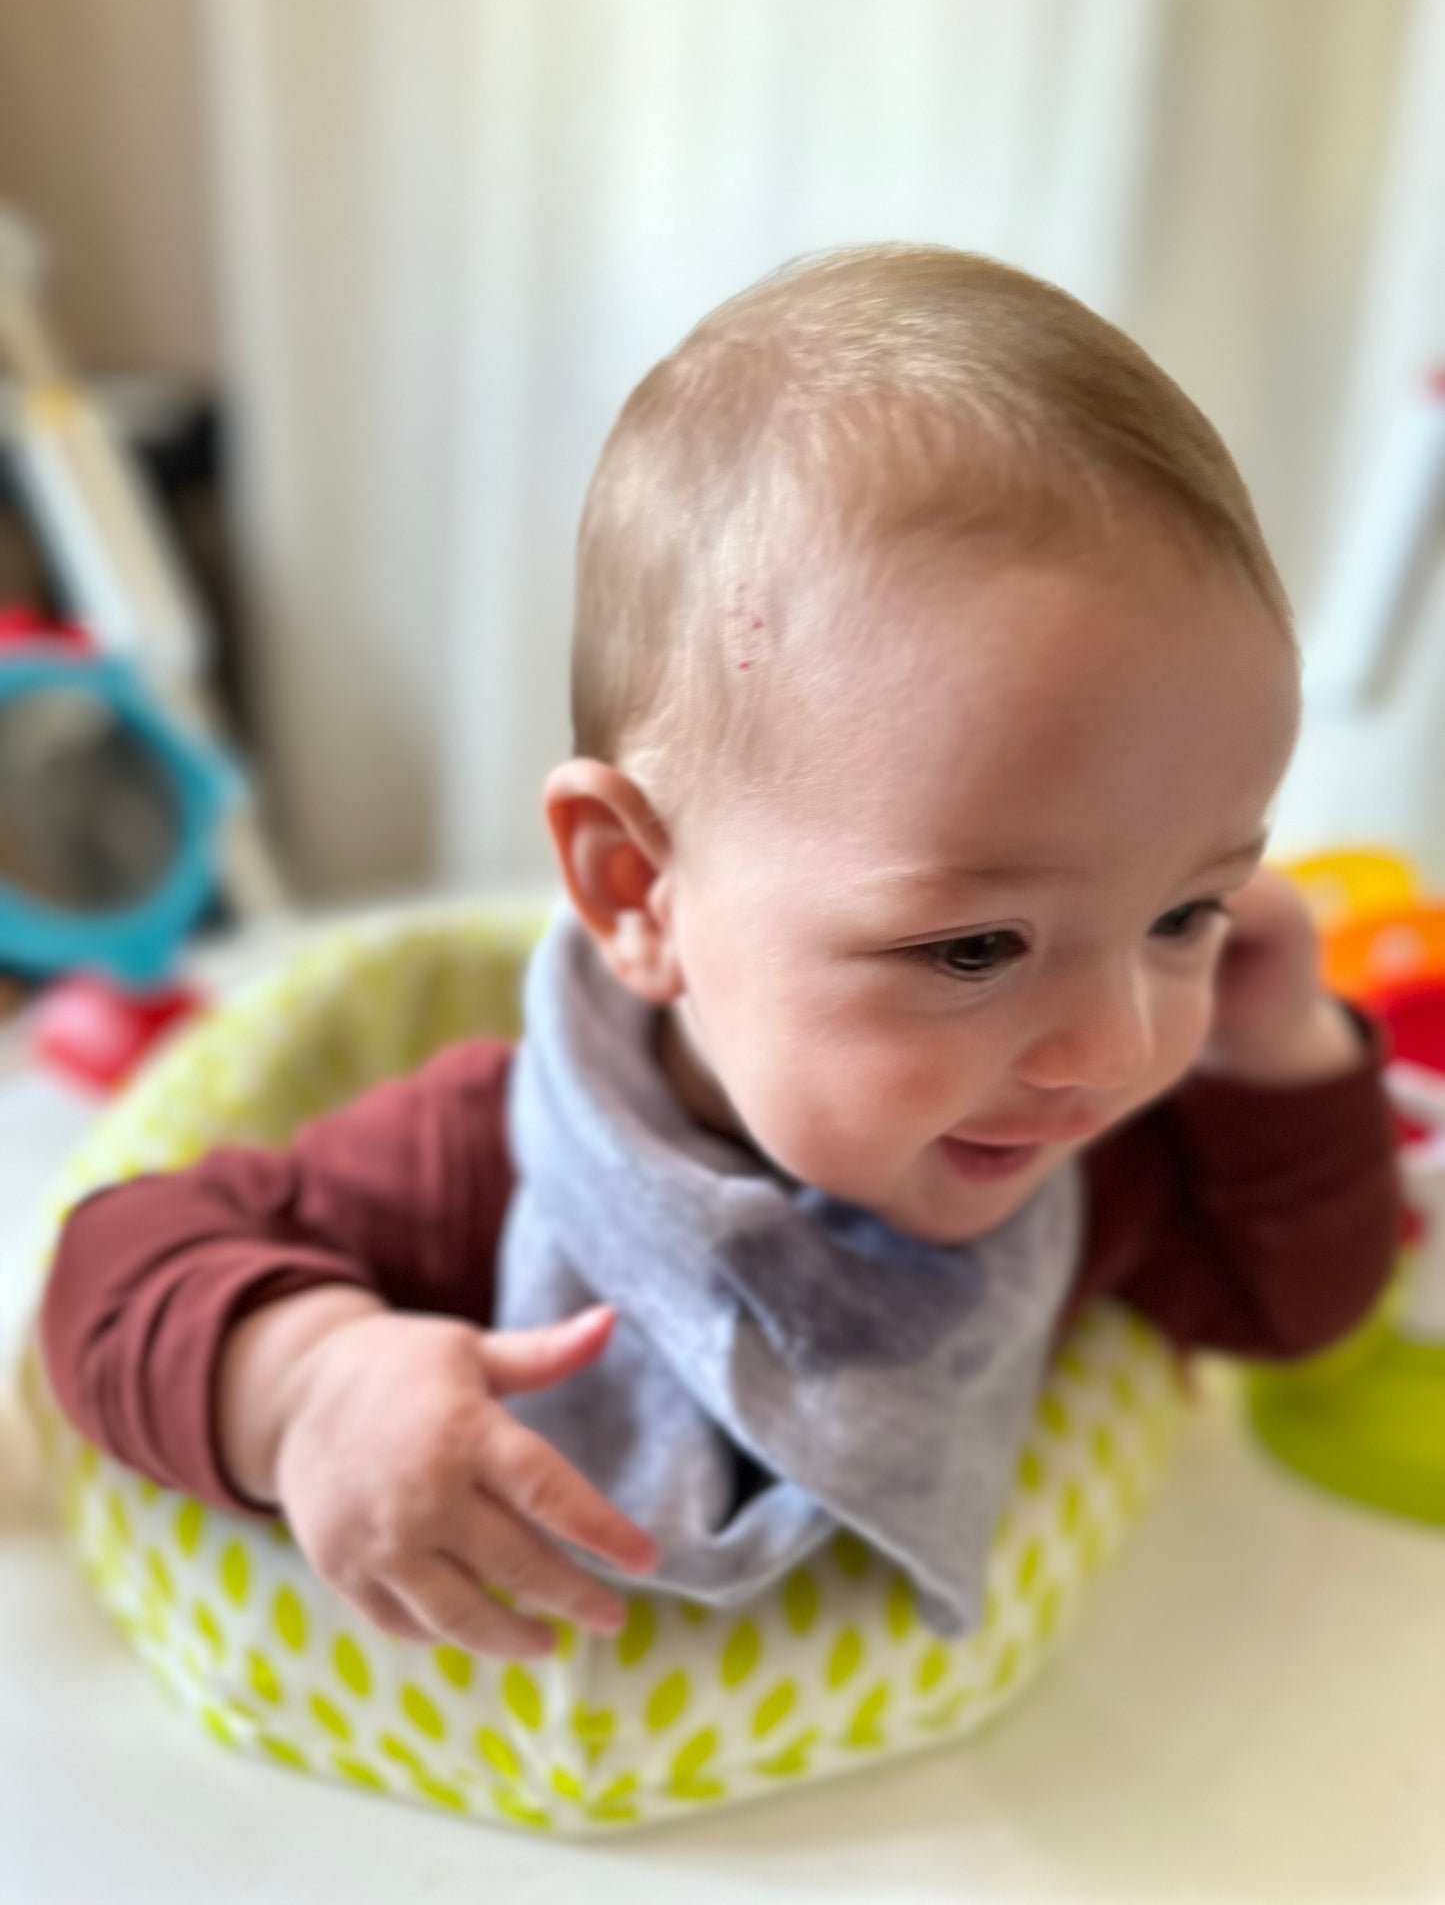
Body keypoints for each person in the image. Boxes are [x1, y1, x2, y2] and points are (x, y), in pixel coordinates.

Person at [41, 249, 1400, 1655]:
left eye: (1180, 913)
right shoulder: (496, 1163)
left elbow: (1284, 1309)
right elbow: (103, 1275)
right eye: (977, 945)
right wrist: (312, 1378)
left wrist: (1275, 1053)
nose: (1115, 1047)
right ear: (637, 891)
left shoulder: (1075, 1156)